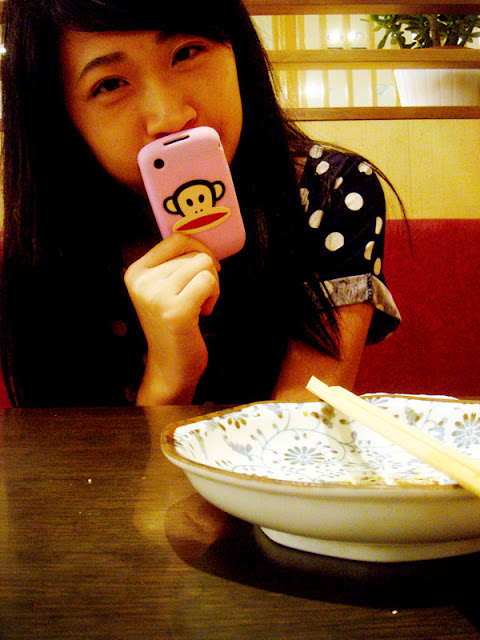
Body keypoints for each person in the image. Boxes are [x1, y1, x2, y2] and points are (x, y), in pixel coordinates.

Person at [0, 0, 401, 408]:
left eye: (186, 52)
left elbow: (297, 426)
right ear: (61, 119)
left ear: (237, 51)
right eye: (110, 84)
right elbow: (70, 448)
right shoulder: (48, 246)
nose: (169, 118)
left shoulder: (329, 193)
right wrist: (169, 377)